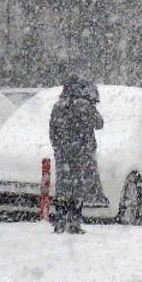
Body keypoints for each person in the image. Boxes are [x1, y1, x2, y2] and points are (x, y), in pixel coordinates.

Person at [48, 78, 105, 234]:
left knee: (63, 188)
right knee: (78, 189)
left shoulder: (58, 106)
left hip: (63, 154)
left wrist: (58, 148)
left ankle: (60, 221)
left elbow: (52, 130)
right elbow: (99, 123)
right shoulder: (84, 106)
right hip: (81, 154)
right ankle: (74, 222)